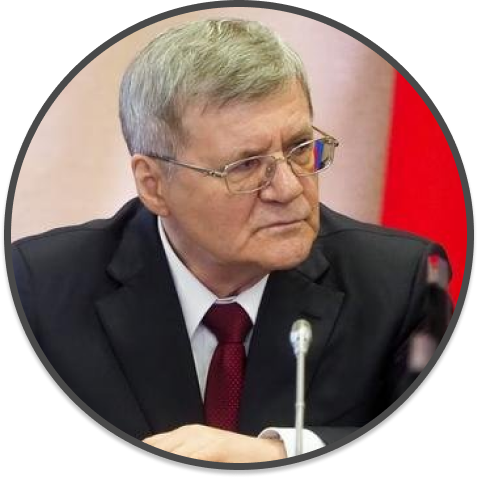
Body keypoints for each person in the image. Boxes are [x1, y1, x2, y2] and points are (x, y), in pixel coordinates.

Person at [11, 18, 452, 463]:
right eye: (245, 166)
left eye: (300, 149)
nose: (289, 189)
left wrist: (280, 452)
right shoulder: (38, 290)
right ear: (153, 185)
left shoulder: (401, 283)